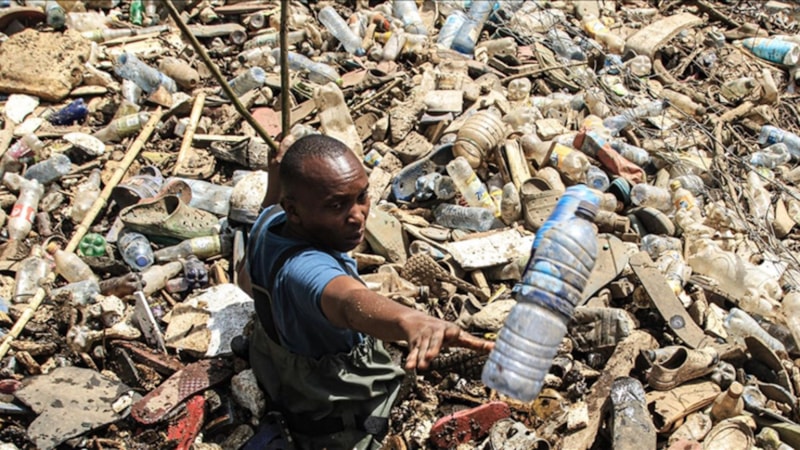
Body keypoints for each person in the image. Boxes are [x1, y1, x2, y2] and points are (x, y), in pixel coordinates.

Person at [238, 134, 494, 450]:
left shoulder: (269, 221)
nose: (358, 215)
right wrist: (411, 320)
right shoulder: (303, 270)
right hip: (329, 411)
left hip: (278, 366)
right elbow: (347, 302)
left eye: (362, 196)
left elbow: (244, 276)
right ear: (294, 210)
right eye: (336, 205)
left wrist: (274, 180)